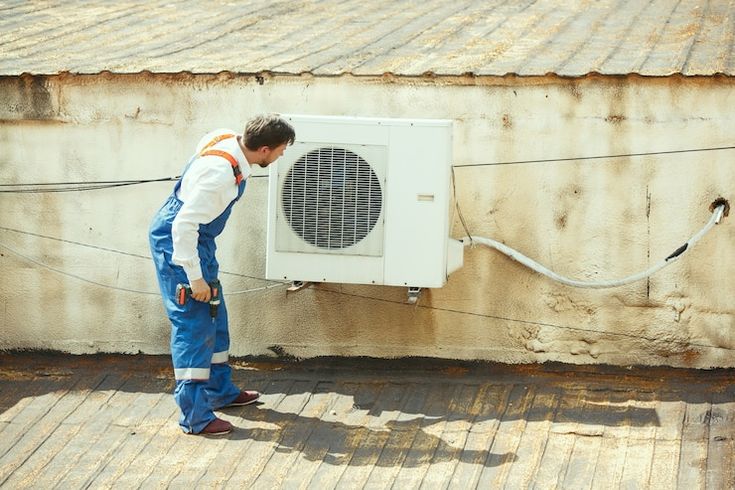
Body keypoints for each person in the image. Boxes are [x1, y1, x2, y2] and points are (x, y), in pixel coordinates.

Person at [149, 114, 295, 435]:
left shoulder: (226, 137)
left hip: (200, 240)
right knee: (194, 323)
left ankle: (219, 391)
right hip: (180, 240)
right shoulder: (219, 177)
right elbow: (183, 225)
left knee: (216, 317)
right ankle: (195, 416)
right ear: (265, 150)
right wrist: (195, 279)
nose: (283, 155)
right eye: (282, 150)